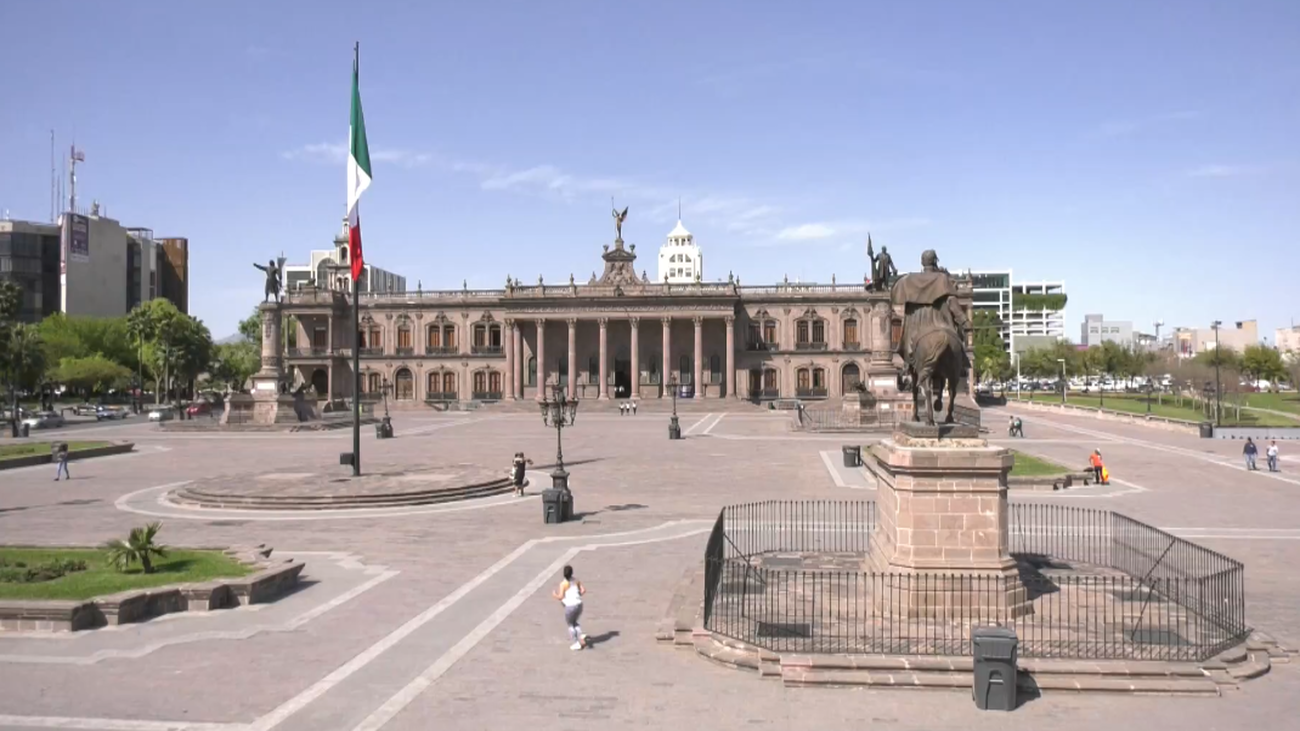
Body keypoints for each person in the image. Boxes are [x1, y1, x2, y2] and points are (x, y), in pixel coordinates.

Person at [551, 564, 588, 651]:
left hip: (570, 606)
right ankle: (580, 636)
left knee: (570, 624)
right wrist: (577, 595)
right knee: (575, 622)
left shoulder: (563, 584)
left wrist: (554, 595)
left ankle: (576, 643)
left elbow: (561, 597)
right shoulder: (576, 580)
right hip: (579, 604)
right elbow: (583, 590)